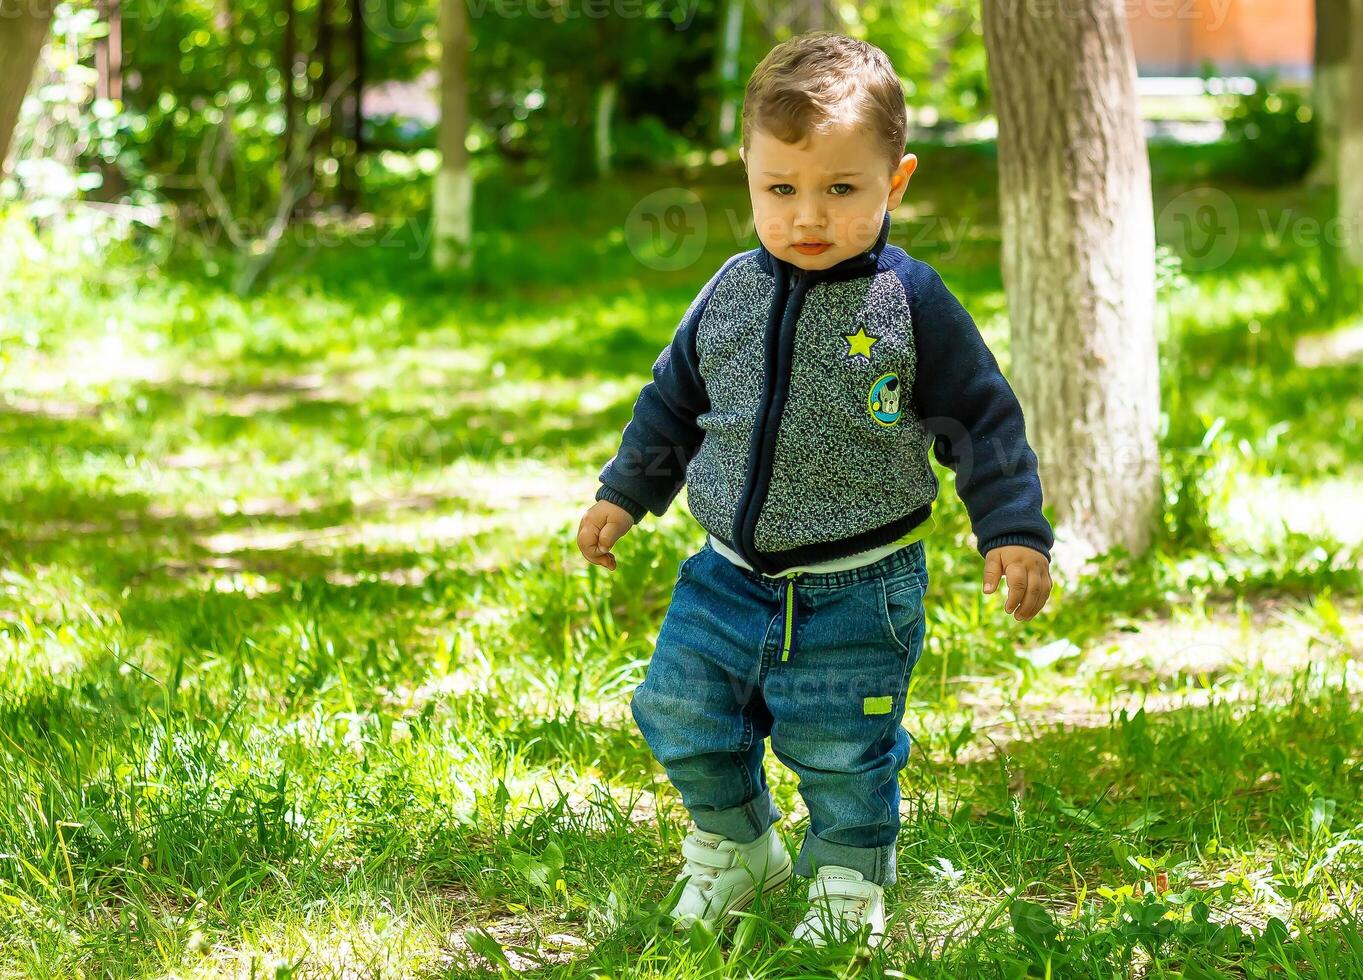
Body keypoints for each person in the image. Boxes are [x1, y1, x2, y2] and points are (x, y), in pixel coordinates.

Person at [576, 31, 1054, 949]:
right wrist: (623, 495)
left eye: (841, 190)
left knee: (842, 750)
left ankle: (846, 877)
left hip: (858, 590)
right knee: (676, 711)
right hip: (725, 575)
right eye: (780, 189)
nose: (807, 216)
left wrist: (1012, 529)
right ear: (747, 178)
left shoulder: (909, 303)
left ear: (895, 183)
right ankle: (735, 845)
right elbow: (673, 403)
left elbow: (981, 420)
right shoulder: (727, 292)